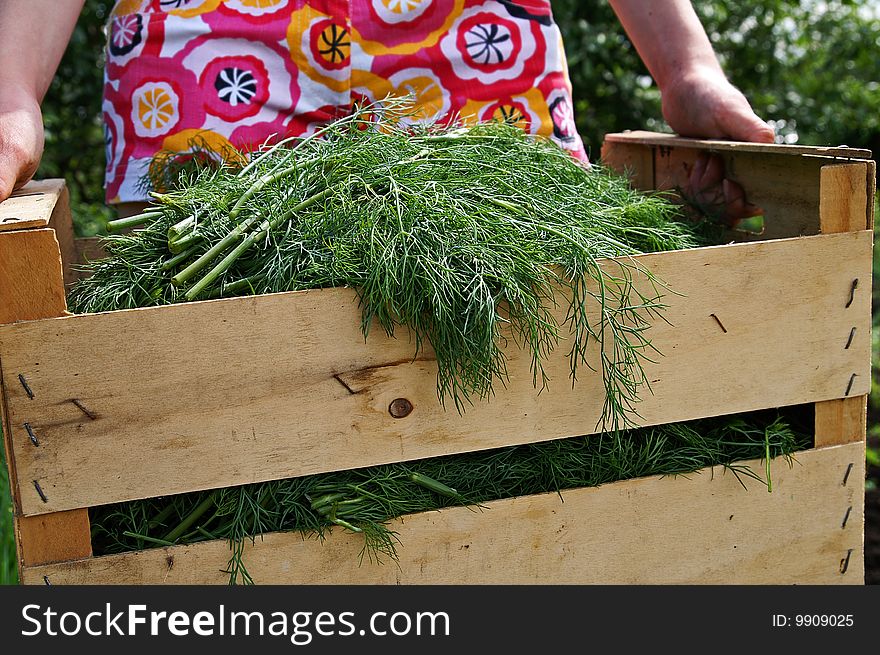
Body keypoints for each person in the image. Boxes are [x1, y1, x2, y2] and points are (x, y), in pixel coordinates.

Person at [0, 0, 773, 217]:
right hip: (214, 46)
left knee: (541, 296)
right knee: (199, 310)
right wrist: (12, 94)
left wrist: (686, 67)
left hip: (459, 37)